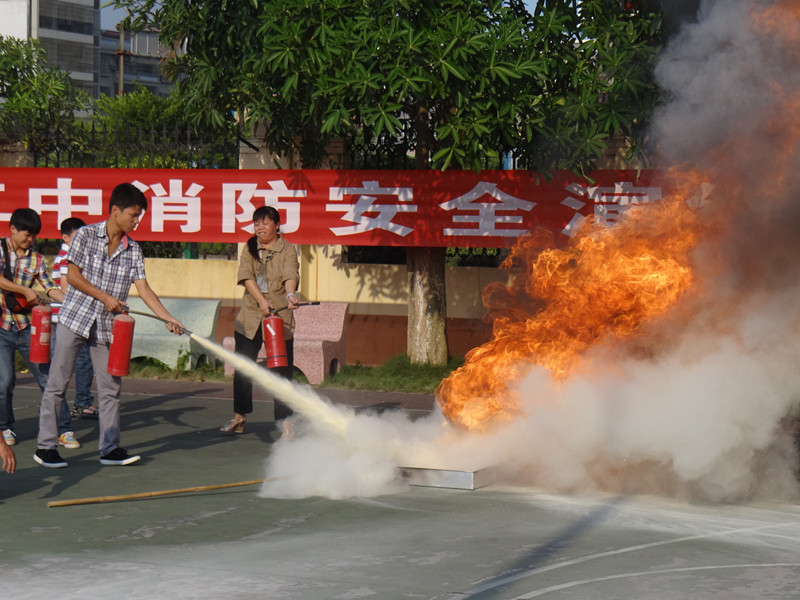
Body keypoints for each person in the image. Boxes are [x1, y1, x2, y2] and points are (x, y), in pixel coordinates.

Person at [35, 183, 184, 468]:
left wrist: (168, 317)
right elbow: (73, 276)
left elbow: (144, 288)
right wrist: (105, 297)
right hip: (74, 319)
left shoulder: (133, 249)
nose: (137, 220)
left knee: (111, 388)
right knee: (57, 383)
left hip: (105, 329)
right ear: (115, 211)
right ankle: (46, 447)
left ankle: (110, 449)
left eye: (139, 216)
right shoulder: (86, 236)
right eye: (133, 214)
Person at [220, 205, 299, 439]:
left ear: (276, 225)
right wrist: (261, 302)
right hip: (250, 317)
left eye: (265, 223)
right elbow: (246, 277)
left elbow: (290, 276)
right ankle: (239, 417)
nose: (260, 228)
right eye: (256, 224)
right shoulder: (250, 247)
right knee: (243, 368)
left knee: (282, 373)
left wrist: (290, 295)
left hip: (278, 319)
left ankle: (286, 423)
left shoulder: (288, 249)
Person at [0, 208, 65, 448]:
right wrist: (24, 290)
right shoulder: (0, 249)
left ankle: (63, 428)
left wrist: (66, 300)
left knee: (47, 377)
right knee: (4, 381)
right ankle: (6, 427)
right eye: (27, 235)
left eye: (34, 236)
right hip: (1, 326)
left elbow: (49, 286)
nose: (31, 240)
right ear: (13, 229)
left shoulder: (36, 258)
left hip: (28, 327)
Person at [51, 217, 97, 421]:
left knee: (71, 363)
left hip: (67, 316)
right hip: (68, 318)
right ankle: (82, 403)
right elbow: (65, 288)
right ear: (65, 238)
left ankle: (77, 402)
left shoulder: (69, 255)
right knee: (81, 361)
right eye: (78, 237)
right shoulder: (66, 257)